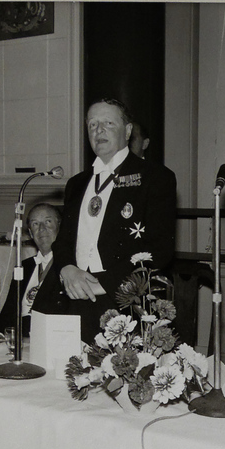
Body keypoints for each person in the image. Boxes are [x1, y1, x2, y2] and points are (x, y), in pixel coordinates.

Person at [53, 98, 177, 343]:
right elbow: (64, 240)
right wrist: (67, 269)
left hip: (123, 303)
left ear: (128, 131)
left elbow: (159, 249)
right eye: (92, 124)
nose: (98, 131)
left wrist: (103, 284)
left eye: (108, 123)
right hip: (73, 299)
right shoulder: (76, 183)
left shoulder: (155, 177)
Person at [0, 203, 67, 336]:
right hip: (18, 338)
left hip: (49, 338)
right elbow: (8, 312)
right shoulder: (25, 266)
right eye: (35, 224)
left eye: (48, 222)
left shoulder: (68, 267)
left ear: (60, 227)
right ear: (30, 234)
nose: (42, 229)